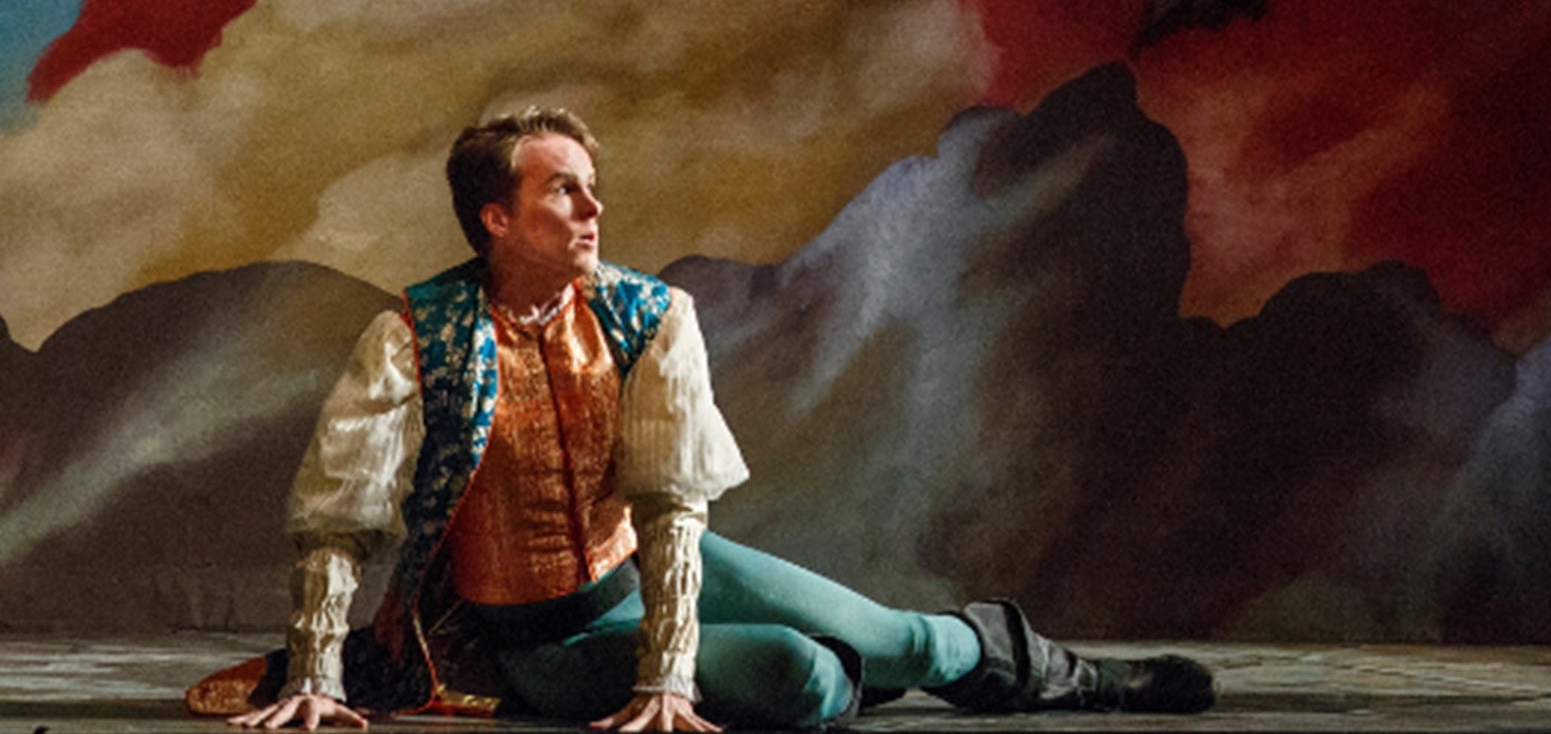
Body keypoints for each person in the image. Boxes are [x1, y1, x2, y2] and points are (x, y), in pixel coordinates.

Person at [198, 109, 1214, 730]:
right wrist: (317, 672)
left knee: (911, 640)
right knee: (803, 680)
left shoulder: (648, 315)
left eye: (593, 188)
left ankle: (1081, 681)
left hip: (654, 565)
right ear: (496, 217)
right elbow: (338, 520)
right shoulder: (414, 334)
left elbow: (673, 511)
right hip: (538, 641)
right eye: (564, 191)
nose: (594, 209)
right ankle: (811, 668)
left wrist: (670, 676)